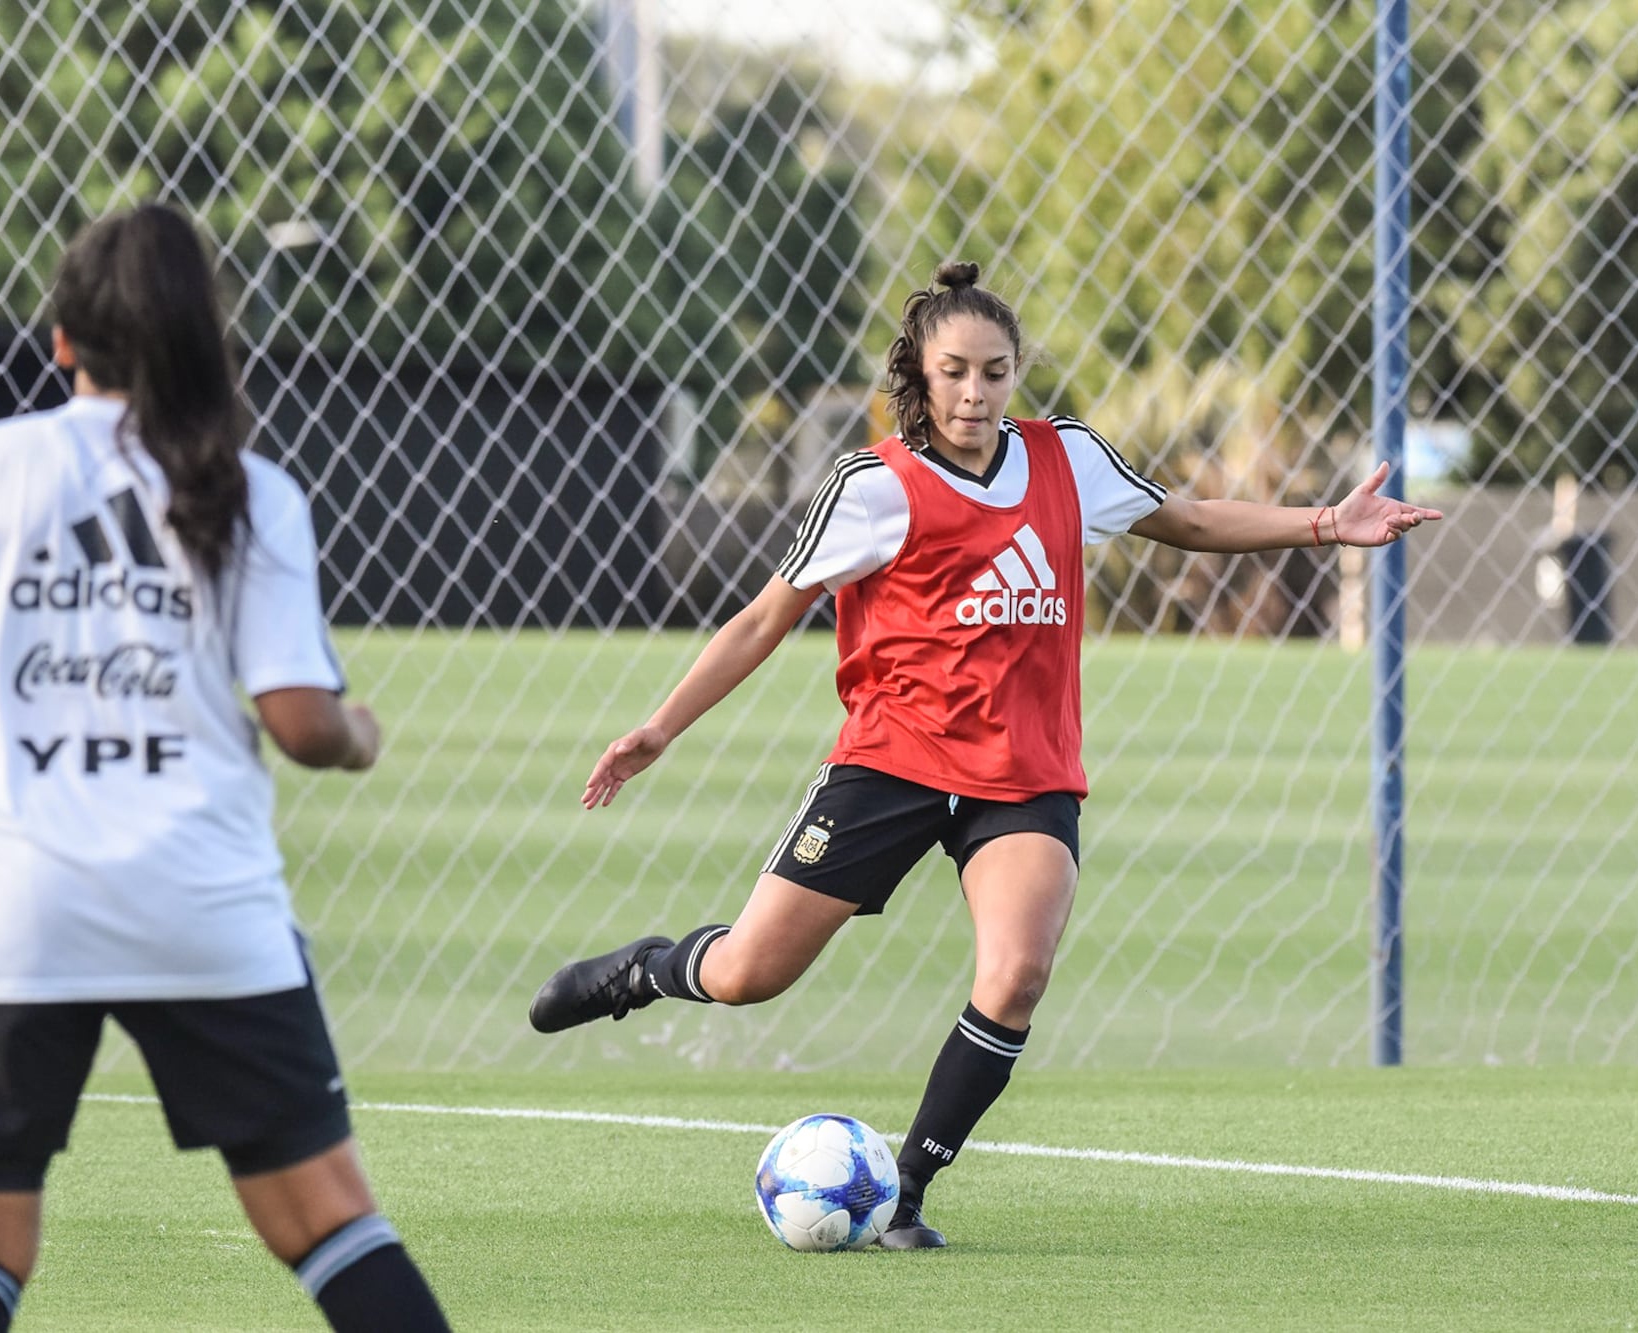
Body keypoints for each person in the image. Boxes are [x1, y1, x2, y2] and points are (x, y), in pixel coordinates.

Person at [528, 260, 1442, 1248]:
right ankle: (641, 974)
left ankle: (904, 1194)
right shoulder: (874, 486)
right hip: (891, 763)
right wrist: (660, 726)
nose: (973, 392)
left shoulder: (1065, 459)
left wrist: (1324, 525)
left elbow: (1187, 520)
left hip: (1025, 775)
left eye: (994, 372)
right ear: (916, 377)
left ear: (1015, 374)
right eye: (953, 371)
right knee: (750, 973)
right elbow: (764, 617)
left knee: (1014, 974)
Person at [0, 205, 451, 1332]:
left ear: (60, 342)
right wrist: (360, 733)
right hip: (201, 904)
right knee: (329, 1220)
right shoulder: (248, 485)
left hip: (10, 912)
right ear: (202, 340)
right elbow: (298, 720)